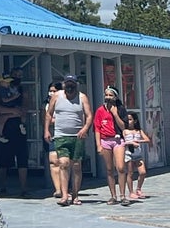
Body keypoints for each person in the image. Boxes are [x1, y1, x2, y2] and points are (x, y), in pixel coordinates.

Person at [45, 74, 92, 206]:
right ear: (64, 84)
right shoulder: (57, 96)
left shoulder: (82, 97)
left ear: (76, 84)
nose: (70, 85)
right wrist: (46, 130)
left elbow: (89, 116)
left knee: (76, 166)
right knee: (63, 163)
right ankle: (64, 195)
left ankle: (75, 195)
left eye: (72, 83)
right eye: (68, 83)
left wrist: (85, 129)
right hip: (60, 135)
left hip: (77, 136)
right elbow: (48, 114)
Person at [0, 68, 30, 196]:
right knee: (3, 158)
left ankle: (23, 188)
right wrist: (10, 112)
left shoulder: (22, 90)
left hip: (18, 125)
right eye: (15, 75)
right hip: (5, 127)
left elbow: (25, 107)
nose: (17, 78)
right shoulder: (0, 89)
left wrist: (16, 112)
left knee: (22, 157)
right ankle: (2, 186)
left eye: (20, 75)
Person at [95, 87, 129, 205]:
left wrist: (115, 114)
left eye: (110, 95)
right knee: (109, 169)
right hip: (105, 140)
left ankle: (123, 195)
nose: (108, 97)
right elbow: (97, 129)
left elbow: (124, 126)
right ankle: (113, 196)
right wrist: (98, 145)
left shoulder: (121, 109)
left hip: (118, 140)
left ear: (116, 97)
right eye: (106, 95)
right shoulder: (100, 110)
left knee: (120, 167)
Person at [122, 111, 152, 200]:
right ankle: (131, 192)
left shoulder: (139, 131)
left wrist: (138, 141)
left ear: (135, 121)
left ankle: (138, 189)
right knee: (130, 173)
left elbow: (147, 139)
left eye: (130, 119)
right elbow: (122, 143)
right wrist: (130, 143)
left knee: (143, 172)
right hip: (129, 153)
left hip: (138, 154)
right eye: (127, 120)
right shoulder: (125, 131)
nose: (129, 121)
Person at [42, 81, 64, 199]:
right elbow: (45, 119)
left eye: (54, 91)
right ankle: (58, 189)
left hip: (64, 135)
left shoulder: (65, 102)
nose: (51, 93)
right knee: (53, 161)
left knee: (64, 162)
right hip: (52, 135)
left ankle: (65, 187)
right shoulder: (46, 104)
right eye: (50, 91)